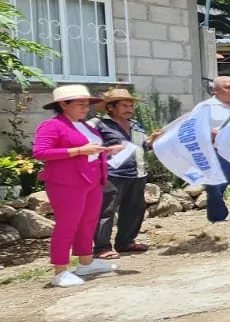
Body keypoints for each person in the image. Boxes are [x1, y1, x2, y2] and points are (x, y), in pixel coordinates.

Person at [32, 85, 123, 288]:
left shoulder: (84, 126)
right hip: (66, 183)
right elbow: (40, 152)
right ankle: (60, 270)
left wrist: (106, 151)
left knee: (88, 222)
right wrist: (78, 150)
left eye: (87, 104)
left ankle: (86, 262)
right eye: (80, 104)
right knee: (67, 225)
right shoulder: (52, 125)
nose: (85, 108)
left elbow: (88, 150)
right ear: (63, 104)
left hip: (91, 181)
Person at [92, 88, 156, 259]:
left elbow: (141, 147)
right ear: (111, 107)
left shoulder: (136, 125)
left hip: (138, 173)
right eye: (124, 105)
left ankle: (126, 242)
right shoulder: (98, 125)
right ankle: (101, 247)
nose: (129, 109)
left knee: (134, 209)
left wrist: (152, 142)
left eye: (131, 105)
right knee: (106, 211)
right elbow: (88, 148)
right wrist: (106, 151)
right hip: (112, 174)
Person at [192, 76, 230, 222]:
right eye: (228, 87)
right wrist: (210, 133)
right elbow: (193, 129)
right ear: (216, 90)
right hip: (216, 154)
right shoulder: (205, 107)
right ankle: (218, 220)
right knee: (215, 189)